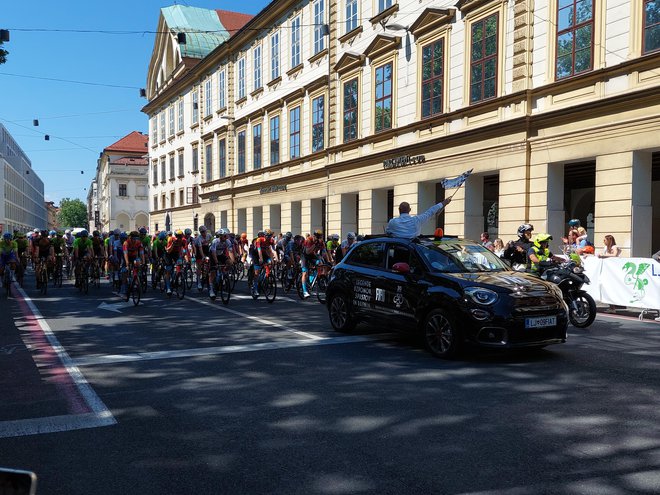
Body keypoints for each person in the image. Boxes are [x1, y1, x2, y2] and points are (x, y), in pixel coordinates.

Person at [386, 198, 452, 238]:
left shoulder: (392, 222)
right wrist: (444, 203)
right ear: (409, 210)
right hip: (413, 253)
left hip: (398, 252)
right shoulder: (417, 220)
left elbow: (388, 233)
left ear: (399, 209)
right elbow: (430, 212)